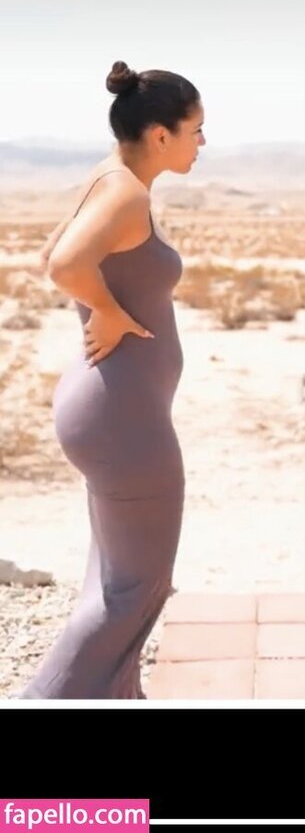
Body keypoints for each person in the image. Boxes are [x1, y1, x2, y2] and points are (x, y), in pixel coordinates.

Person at [19, 60, 205, 699]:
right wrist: (106, 309)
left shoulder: (107, 177)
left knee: (111, 586)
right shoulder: (126, 192)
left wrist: (105, 305)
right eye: (196, 131)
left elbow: (49, 253)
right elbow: (64, 264)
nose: (202, 143)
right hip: (124, 419)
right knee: (133, 592)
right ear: (161, 135)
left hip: (108, 409)